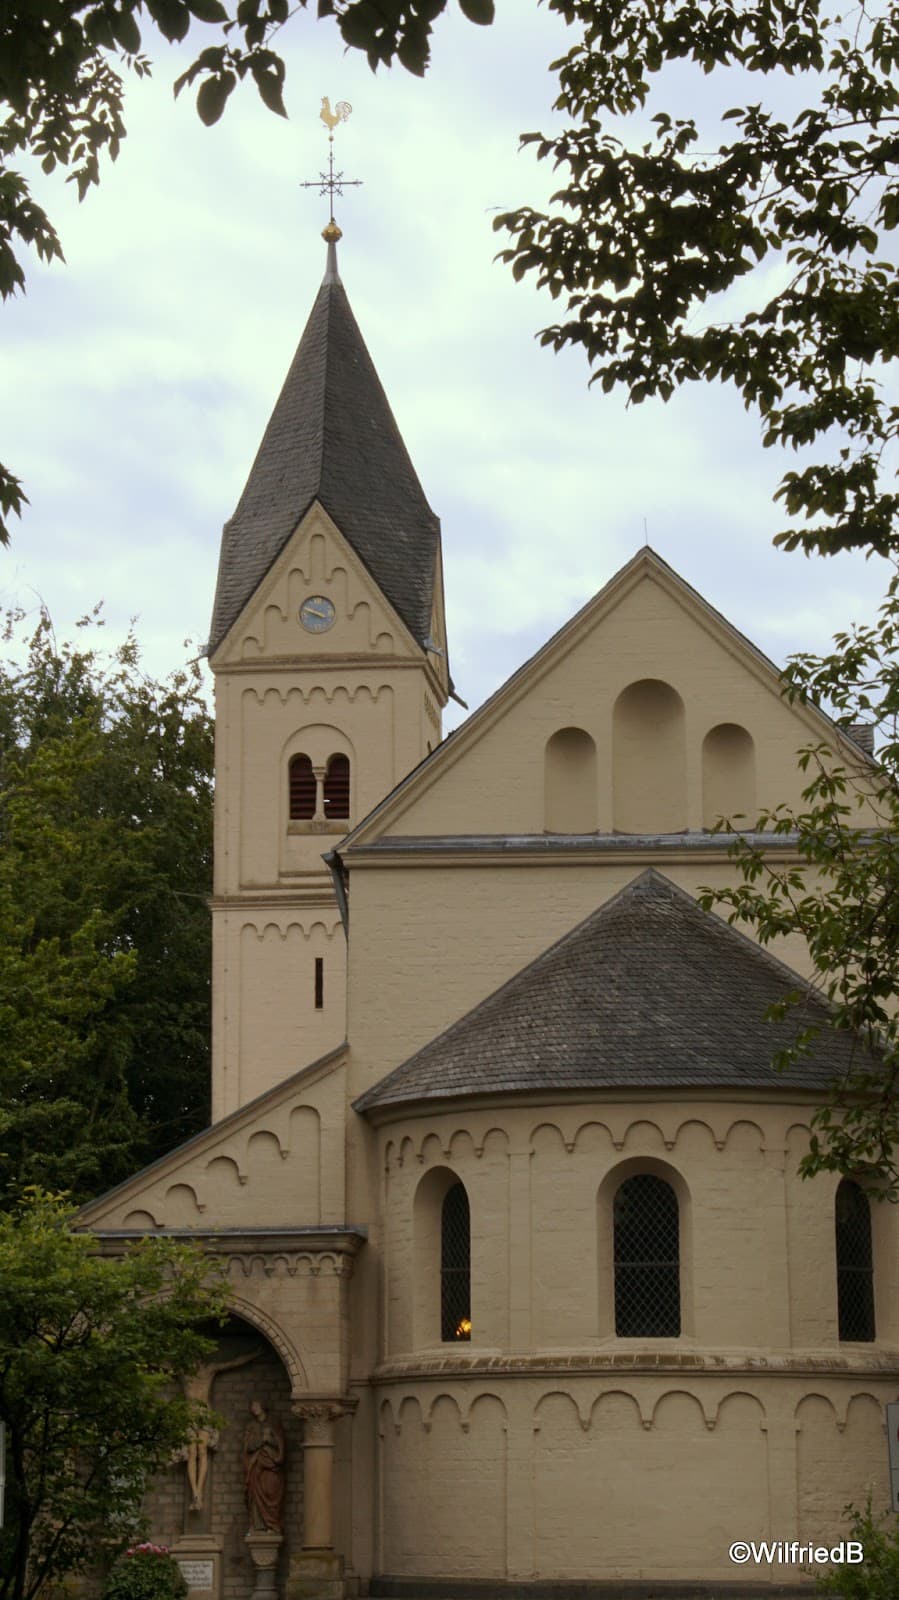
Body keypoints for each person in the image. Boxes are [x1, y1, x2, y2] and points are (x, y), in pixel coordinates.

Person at [179, 1349, 260, 1510]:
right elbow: (163, 1365)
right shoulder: (183, 1373)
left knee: (201, 1451)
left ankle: (198, 1494)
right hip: (188, 1416)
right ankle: (195, 1492)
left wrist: (254, 1354)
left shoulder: (209, 1371)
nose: (195, 1363)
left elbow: (232, 1363)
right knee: (191, 1453)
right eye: (192, 1360)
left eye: (197, 1359)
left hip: (204, 1415)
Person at [243, 1398, 287, 1534]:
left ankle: (272, 1525)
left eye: (256, 1404)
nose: (253, 1408)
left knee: (271, 1492)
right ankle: (258, 1526)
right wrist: (261, 1441)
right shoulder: (251, 1426)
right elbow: (248, 1447)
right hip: (256, 1465)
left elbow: (281, 1443)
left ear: (263, 1405)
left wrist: (271, 1441)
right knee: (255, 1497)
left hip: (271, 1465)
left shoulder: (273, 1423)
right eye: (252, 1405)